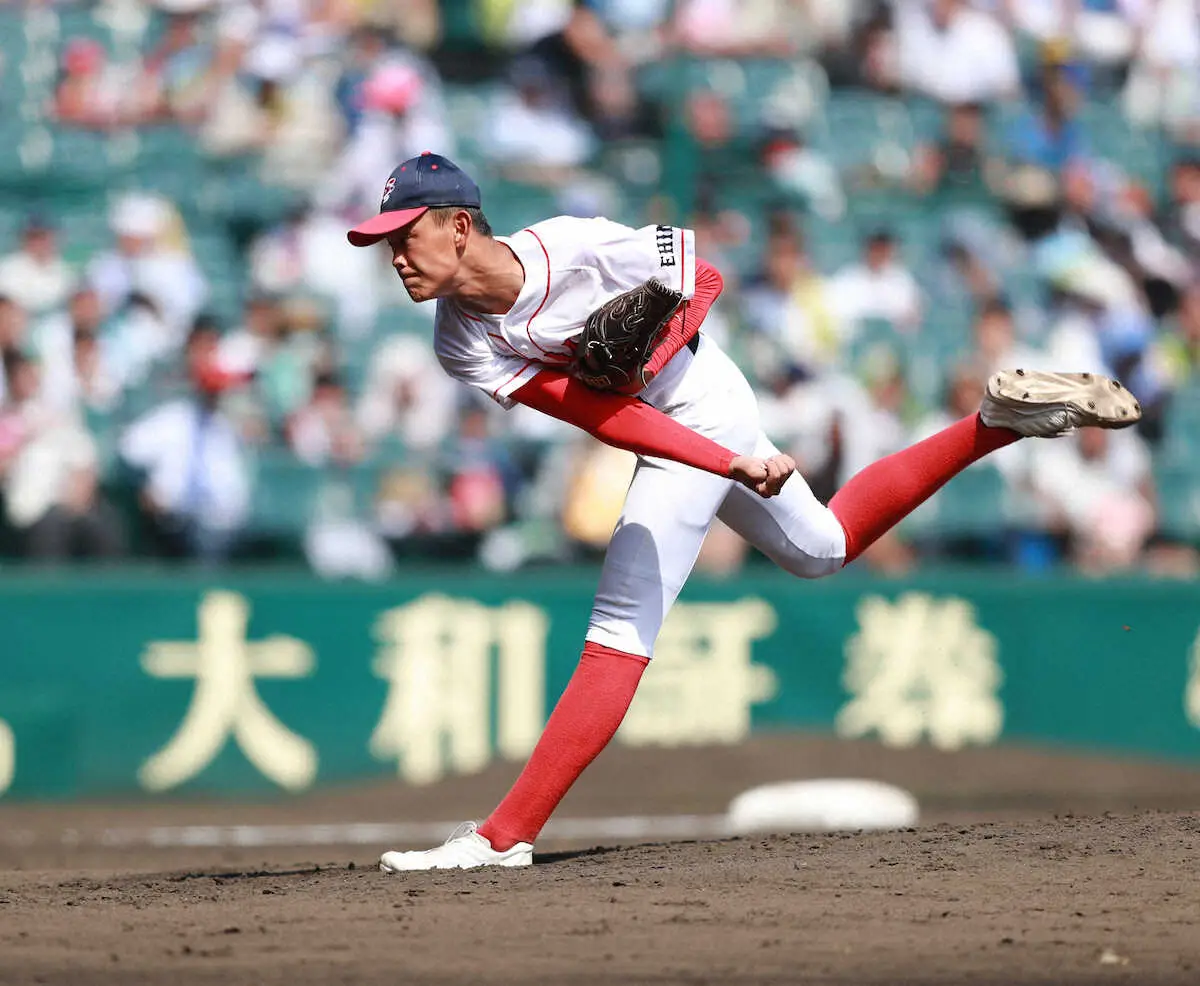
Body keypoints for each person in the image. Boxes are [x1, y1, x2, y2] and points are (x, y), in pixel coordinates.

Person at [346, 152, 1142, 872]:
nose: (395, 256)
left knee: (621, 625)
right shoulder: (459, 338)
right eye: (384, 242)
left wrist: (682, 396)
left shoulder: (574, 243)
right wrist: (723, 459)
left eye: (403, 235)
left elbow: (708, 279)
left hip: (703, 395)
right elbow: (602, 418)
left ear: (458, 226)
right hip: (674, 430)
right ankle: (994, 424)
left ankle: (503, 837)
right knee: (821, 548)